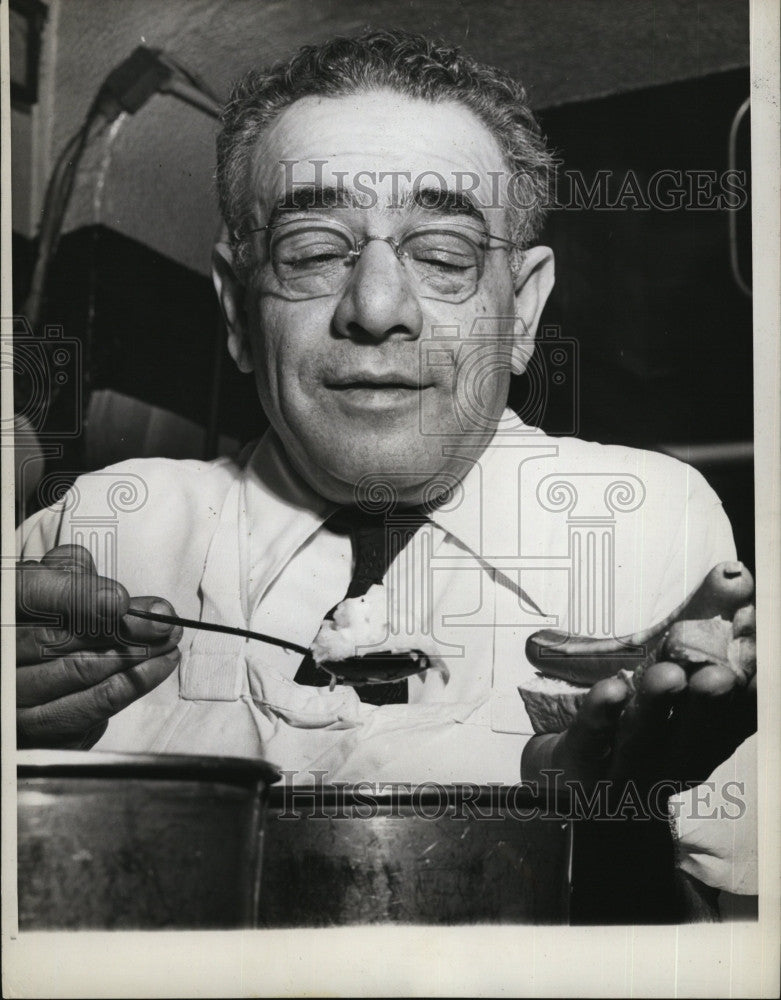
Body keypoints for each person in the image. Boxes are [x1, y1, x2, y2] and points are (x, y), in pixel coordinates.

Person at [15, 30, 756, 912]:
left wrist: (610, 828)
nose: (375, 308)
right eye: (313, 250)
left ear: (520, 311)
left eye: (442, 255)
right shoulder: (103, 528)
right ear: (237, 311)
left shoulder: (644, 519)